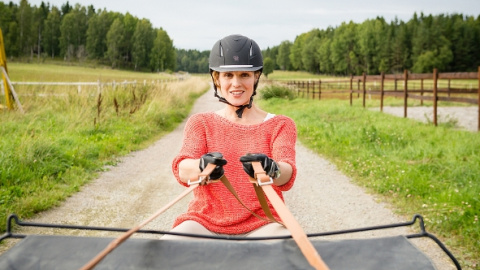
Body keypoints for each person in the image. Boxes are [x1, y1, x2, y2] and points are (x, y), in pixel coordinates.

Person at [165, 34, 297, 239]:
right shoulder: (200, 122)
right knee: (163, 251)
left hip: (264, 222)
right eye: (228, 76)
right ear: (217, 79)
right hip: (204, 221)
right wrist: (201, 166)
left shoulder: (281, 124)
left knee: (290, 251)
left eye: (245, 74)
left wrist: (273, 168)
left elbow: (287, 174)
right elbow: (182, 168)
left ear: (256, 77)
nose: (236, 83)